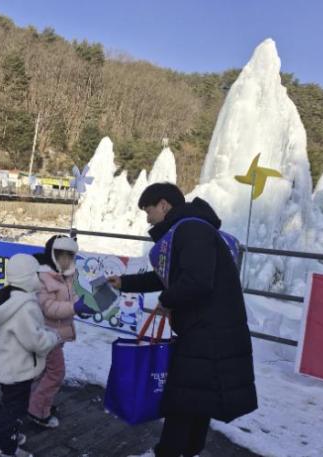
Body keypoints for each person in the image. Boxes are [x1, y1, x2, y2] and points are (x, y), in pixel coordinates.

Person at [108, 182, 257, 457]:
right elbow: (170, 276)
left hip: (207, 333)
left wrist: (167, 300)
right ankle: (189, 450)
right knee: (197, 398)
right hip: (208, 331)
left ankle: (167, 452)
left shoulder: (191, 230)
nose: (148, 219)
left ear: (164, 205)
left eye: (149, 210)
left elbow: (197, 281)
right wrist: (125, 282)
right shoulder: (189, 230)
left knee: (182, 399)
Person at [0, 253, 60, 457]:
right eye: (36, 274)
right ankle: (5, 448)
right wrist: (53, 337)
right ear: (28, 277)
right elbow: (35, 341)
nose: (40, 278)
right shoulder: (25, 307)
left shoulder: (5, 296)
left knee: (7, 403)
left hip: (6, 363)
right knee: (15, 409)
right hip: (18, 368)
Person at [28, 235, 80, 428]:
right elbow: (48, 308)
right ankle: (38, 410)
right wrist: (75, 307)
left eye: (69, 256)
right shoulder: (44, 277)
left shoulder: (67, 275)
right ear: (51, 255)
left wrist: (85, 305)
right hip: (47, 334)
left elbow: (72, 298)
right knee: (56, 373)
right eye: (60, 255)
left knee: (43, 371)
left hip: (59, 334)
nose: (65, 260)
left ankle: (35, 402)